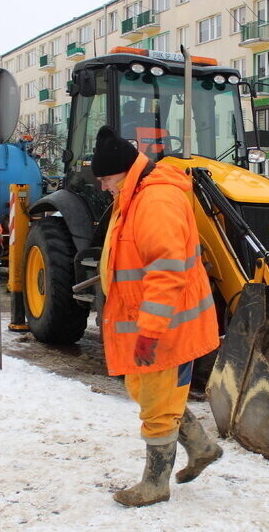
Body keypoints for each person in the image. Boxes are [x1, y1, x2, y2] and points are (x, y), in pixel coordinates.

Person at [92, 125, 222, 507]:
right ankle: (202, 449)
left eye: (105, 180)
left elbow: (166, 270)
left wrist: (149, 330)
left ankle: (156, 483)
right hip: (154, 321)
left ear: (123, 171)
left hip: (165, 325)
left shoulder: (156, 201)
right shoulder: (135, 195)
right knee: (149, 393)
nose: (103, 188)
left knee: (157, 402)